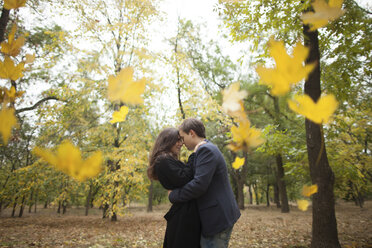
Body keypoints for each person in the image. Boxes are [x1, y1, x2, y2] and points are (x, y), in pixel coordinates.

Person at [169, 118, 241, 248]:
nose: (182, 142)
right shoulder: (203, 150)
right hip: (215, 216)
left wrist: (174, 195)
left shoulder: (206, 150)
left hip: (217, 218)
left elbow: (199, 185)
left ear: (191, 133)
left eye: (182, 137)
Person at [148, 127, 201, 248]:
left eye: (181, 140)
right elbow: (185, 178)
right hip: (183, 216)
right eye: (177, 140)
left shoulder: (168, 159)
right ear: (167, 140)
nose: (181, 143)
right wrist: (194, 154)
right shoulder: (163, 160)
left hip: (185, 211)